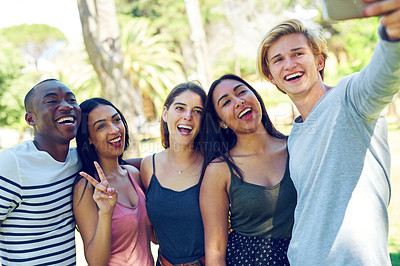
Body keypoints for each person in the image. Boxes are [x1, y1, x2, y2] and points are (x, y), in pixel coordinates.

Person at [256, 1, 400, 264]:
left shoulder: (351, 98)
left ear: (319, 60)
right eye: (278, 60)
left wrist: (392, 35)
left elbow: (383, 76)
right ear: (272, 77)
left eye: (298, 53)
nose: (289, 64)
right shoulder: (295, 137)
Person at [199, 74, 297, 265]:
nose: (238, 101)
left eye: (242, 92)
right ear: (221, 122)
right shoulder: (219, 170)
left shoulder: (295, 146)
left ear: (256, 97)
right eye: (226, 102)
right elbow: (216, 250)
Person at [0, 79, 81, 265]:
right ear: (31, 119)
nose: (66, 106)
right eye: (52, 101)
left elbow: (124, 166)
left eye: (71, 100)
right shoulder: (12, 163)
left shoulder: (78, 160)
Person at [73, 98, 154, 266]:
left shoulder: (134, 174)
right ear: (89, 139)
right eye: (101, 126)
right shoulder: (87, 187)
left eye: (117, 120)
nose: (115, 129)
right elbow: (96, 262)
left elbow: (154, 238)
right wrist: (105, 213)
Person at [140, 81, 207, 266]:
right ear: (164, 113)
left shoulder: (212, 165)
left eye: (197, 111)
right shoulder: (148, 166)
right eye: (180, 108)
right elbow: (154, 235)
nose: (188, 116)